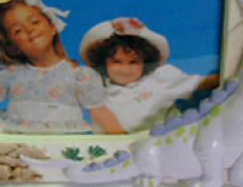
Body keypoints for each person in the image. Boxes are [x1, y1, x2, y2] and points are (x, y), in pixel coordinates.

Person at [0, 0, 124, 135]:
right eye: (18, 30)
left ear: (53, 27)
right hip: (21, 146)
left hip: (65, 147)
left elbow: (100, 112)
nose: (29, 29)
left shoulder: (79, 76)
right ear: (13, 47)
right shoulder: (9, 75)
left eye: (34, 22)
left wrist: (124, 142)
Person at [80, 18, 219, 134]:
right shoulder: (98, 88)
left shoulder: (159, 78)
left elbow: (200, 84)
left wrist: (225, 76)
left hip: (163, 142)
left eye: (134, 62)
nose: (125, 69)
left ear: (145, 62)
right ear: (104, 62)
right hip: (117, 147)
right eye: (117, 62)